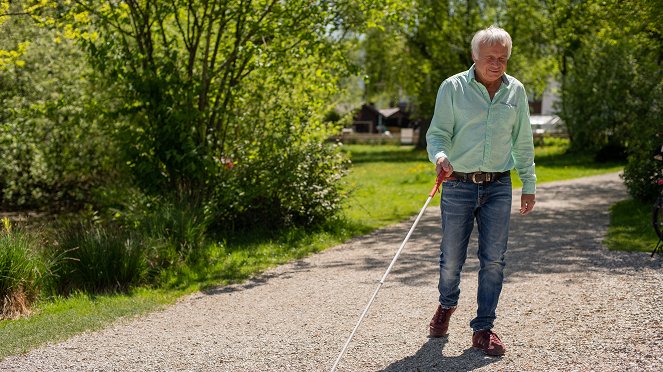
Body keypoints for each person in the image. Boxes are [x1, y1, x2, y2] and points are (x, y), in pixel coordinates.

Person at [425, 25, 536, 356]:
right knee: (451, 260)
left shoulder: (515, 91)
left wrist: (528, 184)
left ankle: (483, 328)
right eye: (490, 57)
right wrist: (441, 156)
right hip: (457, 183)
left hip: (499, 185)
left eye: (502, 58)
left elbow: (523, 141)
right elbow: (437, 134)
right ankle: (446, 304)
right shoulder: (453, 87)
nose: (496, 64)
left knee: (494, 260)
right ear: (475, 56)